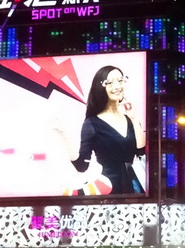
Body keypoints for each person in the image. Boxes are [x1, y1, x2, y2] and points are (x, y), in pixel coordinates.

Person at [58, 65, 146, 195]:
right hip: (108, 188)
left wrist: (133, 117)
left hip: (135, 186)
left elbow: (141, 151)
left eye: (120, 80)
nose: (117, 86)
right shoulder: (92, 124)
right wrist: (63, 135)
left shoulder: (130, 119)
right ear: (100, 87)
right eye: (110, 82)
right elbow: (82, 165)